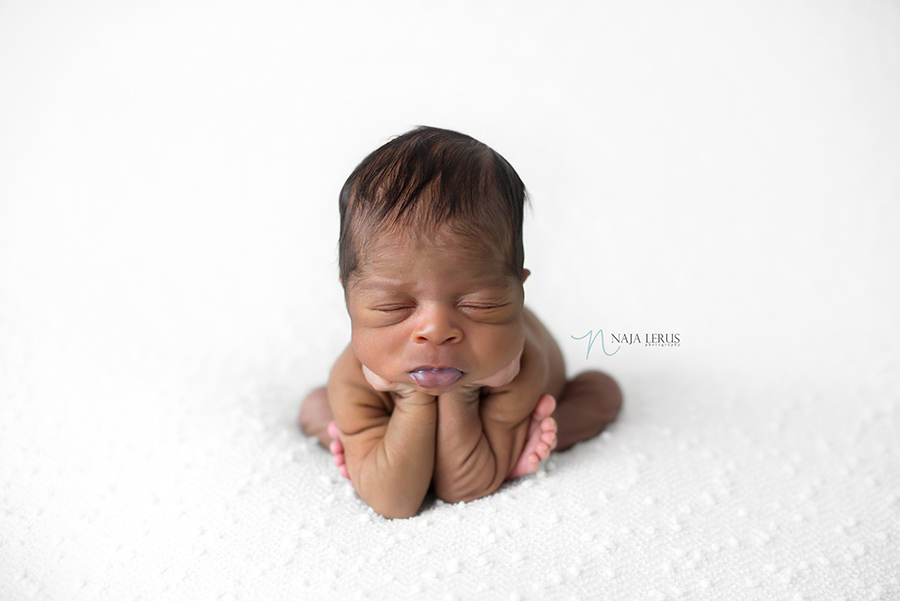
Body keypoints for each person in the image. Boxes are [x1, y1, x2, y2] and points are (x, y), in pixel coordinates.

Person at [299, 126, 622, 519]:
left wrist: (463, 392)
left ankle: (538, 438)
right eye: (393, 307)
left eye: (479, 304)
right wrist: (409, 395)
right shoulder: (353, 376)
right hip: (383, 397)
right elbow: (394, 501)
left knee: (601, 391)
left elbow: (462, 486)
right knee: (319, 404)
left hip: (526, 410)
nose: (435, 330)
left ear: (517, 294)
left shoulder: (519, 367)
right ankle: (348, 434)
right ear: (350, 300)